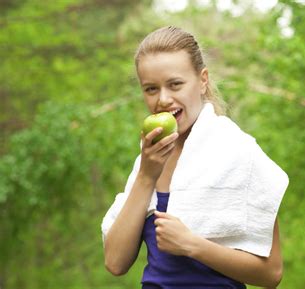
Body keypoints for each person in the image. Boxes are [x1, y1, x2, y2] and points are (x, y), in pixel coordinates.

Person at [101, 26, 288, 289]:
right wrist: (146, 174)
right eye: (151, 89)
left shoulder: (238, 154)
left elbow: (271, 273)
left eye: (175, 84)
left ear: (202, 81)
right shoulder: (148, 160)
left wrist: (191, 245)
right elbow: (115, 262)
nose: (163, 99)